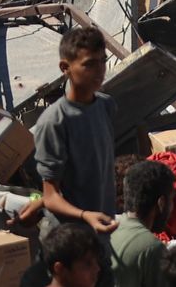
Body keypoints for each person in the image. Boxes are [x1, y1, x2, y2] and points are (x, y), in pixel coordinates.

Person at [32, 26, 120, 241]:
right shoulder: (54, 121)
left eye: (102, 61)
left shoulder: (105, 106)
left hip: (101, 233)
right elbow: (50, 196)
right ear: (65, 68)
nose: (99, 70)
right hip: (68, 239)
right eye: (89, 64)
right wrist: (85, 215)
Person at [111, 160, 175, 287]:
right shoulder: (152, 249)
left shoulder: (109, 226)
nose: (172, 207)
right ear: (161, 203)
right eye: (172, 199)